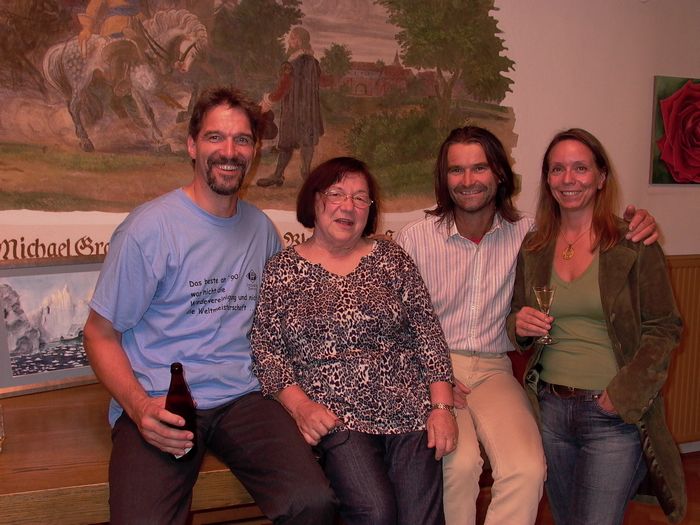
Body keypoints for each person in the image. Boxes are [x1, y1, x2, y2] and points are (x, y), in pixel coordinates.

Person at [82, 87, 336, 525]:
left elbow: (280, 330)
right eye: (215, 137)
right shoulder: (149, 229)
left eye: (242, 140)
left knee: (313, 503)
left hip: (244, 398)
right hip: (163, 399)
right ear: (192, 145)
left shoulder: (260, 230)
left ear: (254, 152)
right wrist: (139, 408)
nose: (229, 151)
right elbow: (98, 335)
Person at [395, 125, 659, 525]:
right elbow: (393, 327)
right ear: (443, 178)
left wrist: (640, 223)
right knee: (459, 466)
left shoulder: (530, 234)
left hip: (494, 369)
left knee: (527, 469)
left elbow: (580, 229)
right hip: (435, 369)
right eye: (456, 170)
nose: (467, 181)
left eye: (479, 168)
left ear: (499, 174)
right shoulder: (414, 239)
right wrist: (430, 375)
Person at [250, 156, 457, 525]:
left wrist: (441, 408)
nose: (348, 206)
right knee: (376, 513)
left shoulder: (392, 258)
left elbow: (427, 333)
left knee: (419, 518)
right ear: (314, 200)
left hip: (409, 409)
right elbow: (267, 352)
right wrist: (301, 408)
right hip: (335, 417)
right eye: (336, 194)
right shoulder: (282, 270)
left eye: (360, 198)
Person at [508, 128, 686, 525]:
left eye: (580, 168)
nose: (568, 179)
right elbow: (517, 317)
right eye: (557, 169)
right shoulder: (534, 247)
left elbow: (664, 327)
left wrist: (623, 394)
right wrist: (518, 325)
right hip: (551, 410)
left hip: (610, 413)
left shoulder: (633, 242)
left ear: (601, 177)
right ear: (547, 179)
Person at [256, 26, 324, 187]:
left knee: (286, 144)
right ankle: (305, 174)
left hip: (293, 110)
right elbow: (320, 83)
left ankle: (278, 175)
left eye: (292, 38)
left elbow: (283, 88)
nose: (289, 41)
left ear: (299, 41)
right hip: (309, 110)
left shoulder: (290, 64)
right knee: (307, 142)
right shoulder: (314, 63)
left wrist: (267, 101)